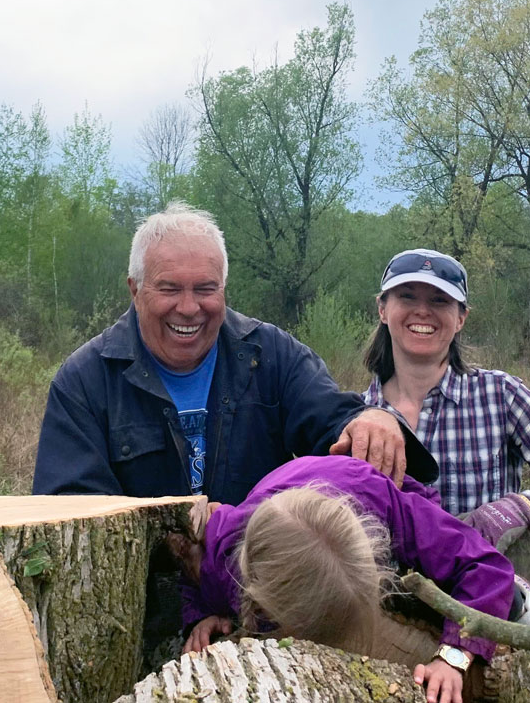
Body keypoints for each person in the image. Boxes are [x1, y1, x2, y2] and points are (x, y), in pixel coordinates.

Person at [32, 203, 437, 505]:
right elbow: (71, 510)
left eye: (206, 289)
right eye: (170, 289)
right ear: (135, 290)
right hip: (137, 604)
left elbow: (332, 421)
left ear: (224, 288)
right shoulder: (85, 380)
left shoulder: (272, 355)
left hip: (255, 591)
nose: (189, 308)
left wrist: (371, 418)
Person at [171, 455, 517, 703]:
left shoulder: (386, 505)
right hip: (271, 531)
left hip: (351, 482)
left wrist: (455, 656)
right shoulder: (222, 558)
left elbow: (487, 567)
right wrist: (199, 615)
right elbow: (190, 567)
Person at [362, 248, 530, 553]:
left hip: (488, 593)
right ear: (382, 309)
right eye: (407, 296)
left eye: (439, 300)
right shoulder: (355, 417)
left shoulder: (500, 396)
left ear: (460, 318)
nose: (422, 311)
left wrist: (525, 508)